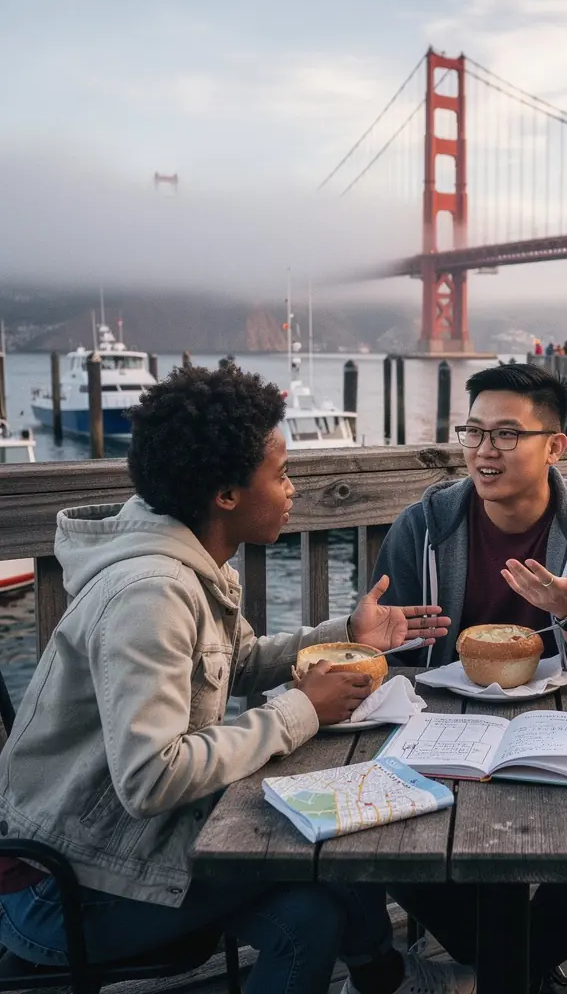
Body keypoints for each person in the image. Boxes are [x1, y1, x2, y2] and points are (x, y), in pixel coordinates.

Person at [0, 364, 471, 994]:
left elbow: (239, 661)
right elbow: (151, 777)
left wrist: (347, 634)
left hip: (127, 848)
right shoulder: (152, 594)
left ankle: (384, 978)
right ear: (226, 494)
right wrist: (302, 710)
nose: (293, 489)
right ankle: (392, 979)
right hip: (67, 890)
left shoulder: (190, 559)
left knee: (310, 913)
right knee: (326, 852)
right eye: (281, 474)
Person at [371, 362, 567, 994]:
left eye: (506, 434)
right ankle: (525, 970)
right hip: (443, 728)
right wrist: (379, 645)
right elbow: (396, 653)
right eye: (473, 432)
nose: (484, 450)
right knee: (380, 840)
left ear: (554, 446)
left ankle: (502, 970)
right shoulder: (424, 526)